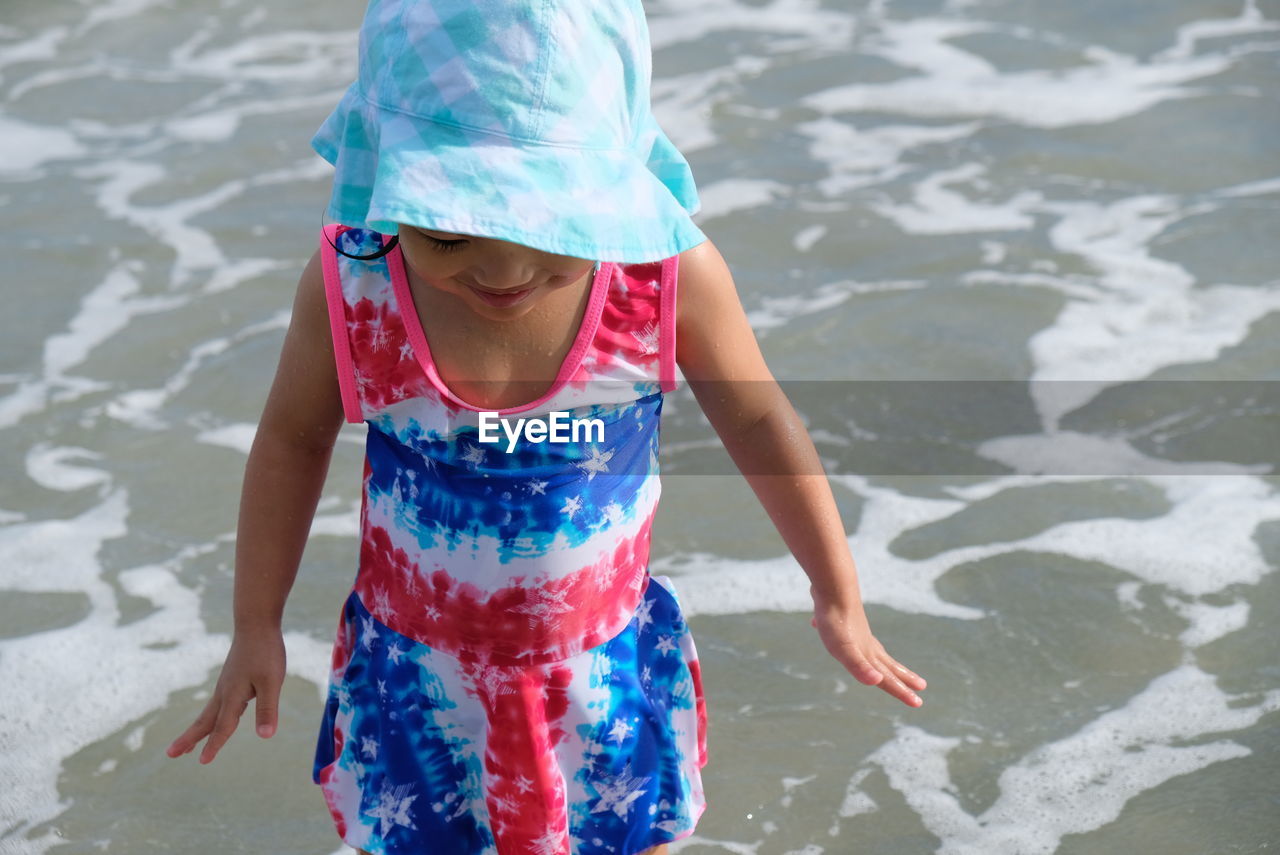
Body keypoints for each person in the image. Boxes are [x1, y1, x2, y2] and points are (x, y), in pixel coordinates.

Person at [165, 0, 927, 853]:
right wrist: (256, 623)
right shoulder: (357, 284)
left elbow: (755, 416)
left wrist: (837, 592)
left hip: (599, 685)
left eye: (549, 228)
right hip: (421, 690)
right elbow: (292, 439)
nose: (503, 268)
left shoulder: (660, 278)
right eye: (449, 233)